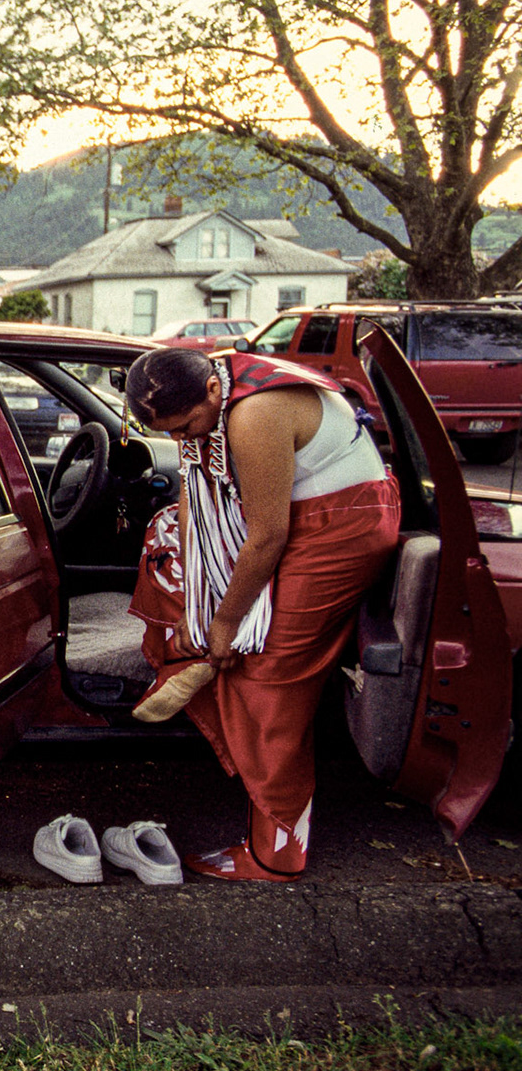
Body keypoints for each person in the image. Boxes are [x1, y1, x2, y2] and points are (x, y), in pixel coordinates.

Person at [123, 345, 399, 881]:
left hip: (337, 526)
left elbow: (268, 535)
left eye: (186, 428)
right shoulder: (212, 392)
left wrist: (224, 620)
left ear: (209, 393)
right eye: (171, 435)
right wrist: (198, 588)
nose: (183, 441)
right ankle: (190, 658)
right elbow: (195, 497)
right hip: (294, 518)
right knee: (164, 539)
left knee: (269, 675)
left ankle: (276, 853)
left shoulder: (255, 414)